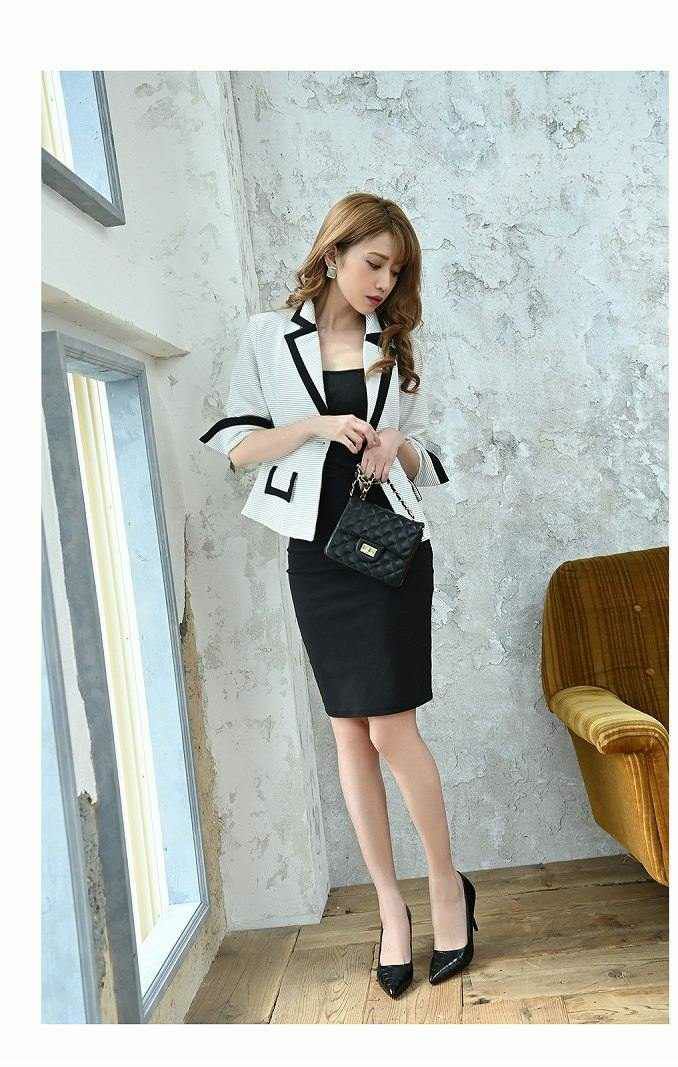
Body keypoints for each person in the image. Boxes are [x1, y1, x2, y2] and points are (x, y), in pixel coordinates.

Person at [200, 193, 477, 998]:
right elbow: (236, 447)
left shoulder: (397, 344)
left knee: (391, 727)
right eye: (373, 263)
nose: (384, 282)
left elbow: (436, 453)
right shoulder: (266, 336)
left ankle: (445, 886)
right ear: (333, 255)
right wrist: (315, 427)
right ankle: (391, 907)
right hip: (315, 554)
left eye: (395, 269)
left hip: (388, 549)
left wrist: (400, 444)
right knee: (349, 733)